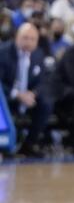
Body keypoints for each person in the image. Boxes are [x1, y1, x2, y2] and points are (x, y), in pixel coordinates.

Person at [0, 22, 54, 156]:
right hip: (7, 97)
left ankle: (29, 144)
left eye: (32, 39)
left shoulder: (38, 54)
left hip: (28, 97)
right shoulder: (3, 53)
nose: (28, 42)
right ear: (16, 37)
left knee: (46, 103)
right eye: (25, 38)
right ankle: (7, 146)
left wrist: (33, 93)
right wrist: (17, 94)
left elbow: (43, 80)